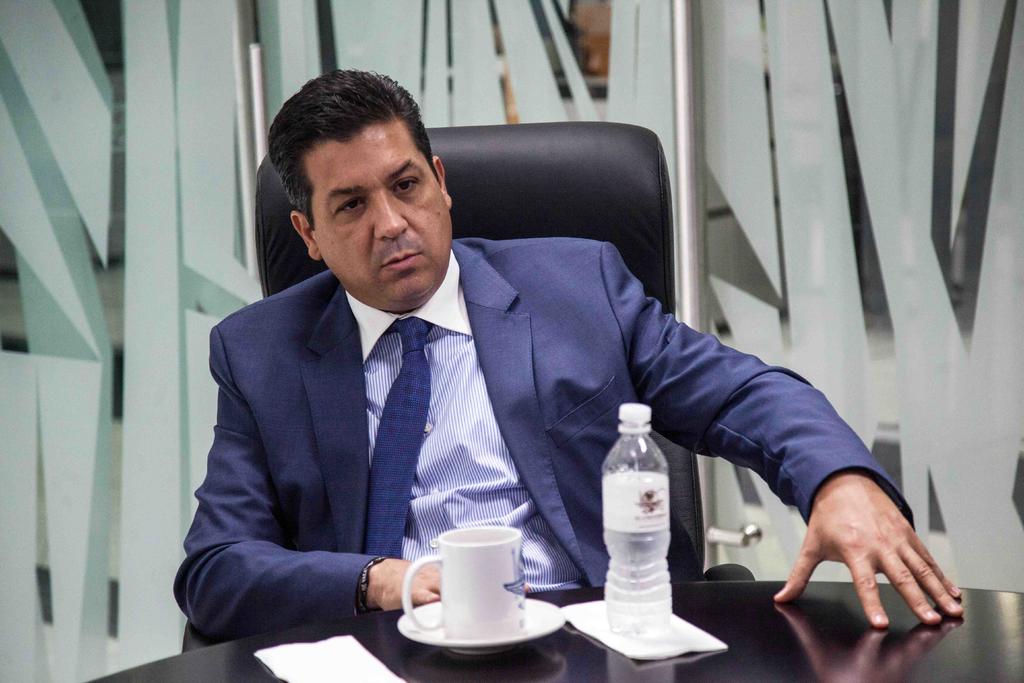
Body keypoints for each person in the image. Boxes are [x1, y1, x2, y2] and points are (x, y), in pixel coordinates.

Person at [174, 70, 962, 641]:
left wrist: (839, 477)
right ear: (308, 235)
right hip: (389, 648)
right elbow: (215, 568)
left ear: (440, 183)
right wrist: (382, 581)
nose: (391, 223)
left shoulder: (578, 288)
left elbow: (739, 393)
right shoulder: (258, 354)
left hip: (586, 641)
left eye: (405, 185)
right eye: (351, 205)